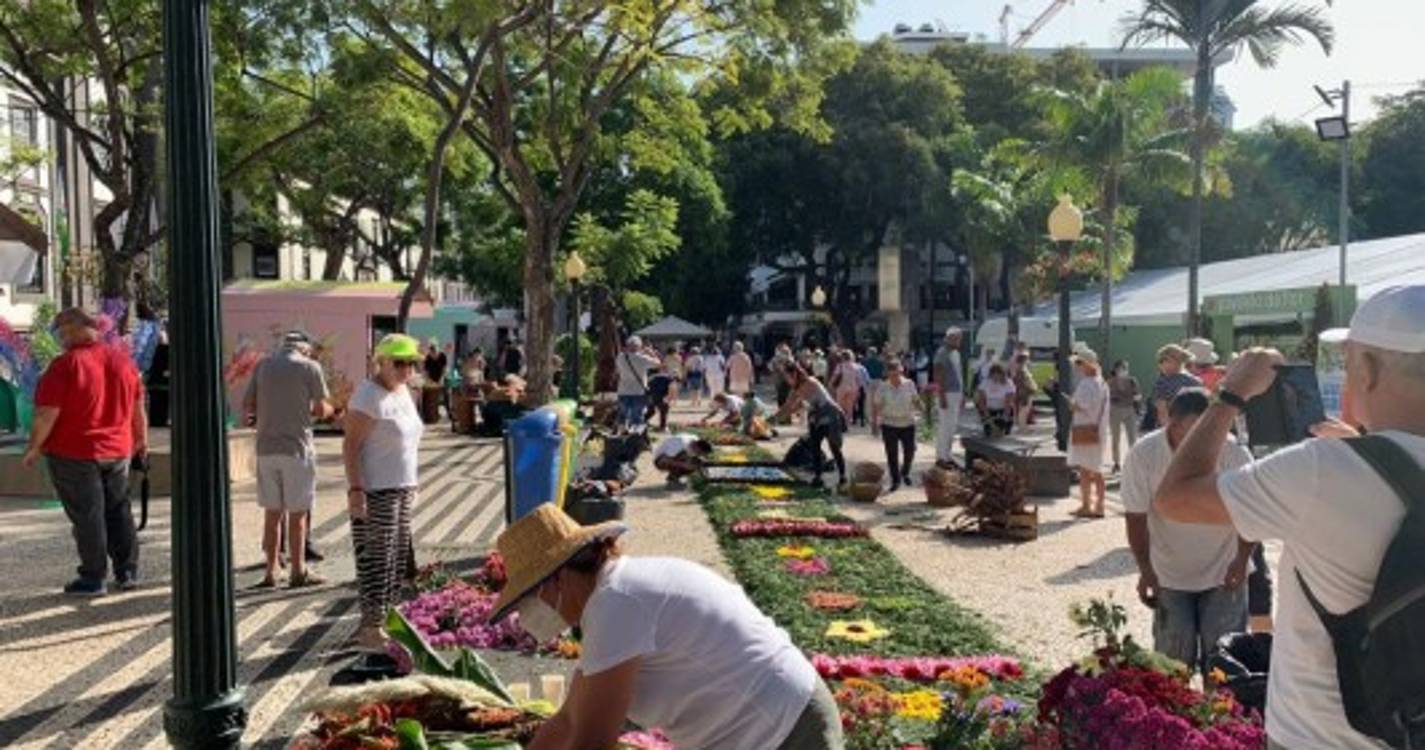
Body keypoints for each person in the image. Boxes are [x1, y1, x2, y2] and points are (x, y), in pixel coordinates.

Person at [1155, 286, 1425, 750]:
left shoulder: (1321, 471)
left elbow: (1176, 497)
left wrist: (1231, 393)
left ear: (1369, 368)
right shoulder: (1338, 464)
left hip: (1320, 736)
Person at [493, 505, 843, 750]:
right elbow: (569, 720)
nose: (530, 612)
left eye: (530, 598)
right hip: (766, 724)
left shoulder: (617, 601)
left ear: (559, 578)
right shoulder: (616, 593)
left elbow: (591, 741)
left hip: (782, 730)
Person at [1122, 388, 1253, 677]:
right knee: (1172, 664)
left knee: (1223, 665)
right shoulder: (1144, 455)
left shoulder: (1233, 452)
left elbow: (1251, 512)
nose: (1202, 442)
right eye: (1192, 432)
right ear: (1172, 424)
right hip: (1170, 573)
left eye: (1208, 430)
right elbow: (1135, 517)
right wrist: (1145, 569)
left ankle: (1222, 721)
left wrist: (1243, 559)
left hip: (1224, 569)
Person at [24, 307, 146, 595]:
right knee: (119, 509)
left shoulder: (64, 365)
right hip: (117, 449)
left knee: (87, 515)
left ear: (76, 327)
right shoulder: (123, 362)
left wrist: (34, 447)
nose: (61, 336)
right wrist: (140, 440)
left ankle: (93, 577)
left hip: (74, 451)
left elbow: (46, 413)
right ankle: (127, 570)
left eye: (63, 330)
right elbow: (138, 407)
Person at [342, 333, 426, 651]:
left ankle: (387, 619)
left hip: (401, 487)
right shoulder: (367, 395)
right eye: (399, 363)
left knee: (395, 561)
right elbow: (351, 445)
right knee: (376, 562)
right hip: (375, 488)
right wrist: (355, 489)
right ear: (381, 362)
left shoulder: (403, 392)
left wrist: (413, 482)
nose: (405, 369)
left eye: (411, 363)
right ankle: (371, 627)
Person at [243, 332, 333, 588]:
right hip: (297, 448)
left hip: (266, 448)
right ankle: (298, 570)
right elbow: (319, 408)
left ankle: (271, 570)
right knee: (298, 514)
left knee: (272, 514)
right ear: (305, 349)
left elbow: (249, 404)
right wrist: (329, 410)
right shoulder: (310, 367)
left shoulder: (263, 366)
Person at [774, 363, 848, 490]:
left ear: (795, 374)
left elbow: (796, 404)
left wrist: (782, 414)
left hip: (828, 413)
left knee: (834, 446)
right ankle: (818, 477)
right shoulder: (795, 389)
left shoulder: (810, 382)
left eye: (788, 377)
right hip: (815, 416)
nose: (787, 380)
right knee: (815, 446)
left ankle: (842, 477)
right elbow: (789, 407)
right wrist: (773, 418)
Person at [1068, 350, 1110, 519]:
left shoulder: (1086, 383)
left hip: (1084, 428)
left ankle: (1086, 505)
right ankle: (1099, 505)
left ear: (1086, 364)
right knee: (1097, 470)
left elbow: (1079, 405)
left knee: (1085, 470)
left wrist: (1071, 403)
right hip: (1097, 429)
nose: (1077, 367)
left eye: (1079, 363)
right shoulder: (1102, 383)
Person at [872, 359, 919, 492]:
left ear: (901, 371)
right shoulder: (883, 386)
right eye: (891, 375)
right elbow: (876, 405)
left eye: (897, 374)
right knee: (892, 454)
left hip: (908, 422)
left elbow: (916, 400)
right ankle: (896, 479)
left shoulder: (910, 384)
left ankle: (905, 472)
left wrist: (922, 407)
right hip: (889, 424)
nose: (894, 378)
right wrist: (875, 423)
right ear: (887, 374)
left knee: (910, 450)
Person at [1146, 344, 1201, 431]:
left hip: (1172, 431)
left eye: (1161, 361)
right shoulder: (1196, 381)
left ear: (1173, 361)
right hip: (1193, 430)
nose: (1159, 365)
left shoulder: (1162, 383)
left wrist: (1170, 433)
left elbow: (1162, 412)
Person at [932, 328, 965, 466]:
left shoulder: (955, 353)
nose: (959, 341)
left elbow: (958, 375)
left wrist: (962, 395)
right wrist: (942, 395)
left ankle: (947, 454)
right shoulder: (942, 353)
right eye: (957, 338)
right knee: (945, 426)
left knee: (952, 426)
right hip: (947, 393)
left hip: (956, 392)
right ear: (949, 338)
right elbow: (939, 375)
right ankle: (942, 456)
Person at [616, 336, 660, 430]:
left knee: (622, 416)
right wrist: (651, 353)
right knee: (637, 417)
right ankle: (635, 438)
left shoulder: (620, 357)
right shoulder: (643, 358)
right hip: (638, 391)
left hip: (623, 391)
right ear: (639, 347)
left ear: (627, 346)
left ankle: (620, 437)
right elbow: (658, 364)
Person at [1107, 359, 1142, 473]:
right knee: (1115, 438)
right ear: (1116, 369)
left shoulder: (1132, 381)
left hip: (1129, 410)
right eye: (1121, 368)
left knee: (1132, 437)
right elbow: (1108, 397)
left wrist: (1134, 401)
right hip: (1115, 411)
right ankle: (1116, 463)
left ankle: (1134, 462)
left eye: (1125, 368)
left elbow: (1138, 396)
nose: (1124, 371)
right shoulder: (1110, 382)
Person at [974, 363, 1017, 438]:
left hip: (1003, 408)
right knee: (989, 432)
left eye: (998, 375)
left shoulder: (1008, 383)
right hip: (988, 408)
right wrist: (988, 418)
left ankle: (1005, 429)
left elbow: (1009, 402)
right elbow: (981, 401)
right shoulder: (985, 383)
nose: (996, 377)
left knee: (1002, 430)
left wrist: (1005, 416)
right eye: (994, 375)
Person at [830, 350, 860, 426]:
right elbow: (858, 379)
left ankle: (840, 422)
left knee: (840, 405)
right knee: (849, 407)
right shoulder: (856, 366)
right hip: (853, 388)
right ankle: (848, 423)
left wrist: (830, 384)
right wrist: (859, 389)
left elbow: (835, 376)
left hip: (842, 387)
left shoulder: (840, 366)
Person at [1010, 353, 1037, 428]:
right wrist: (1030, 387)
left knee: (1023, 409)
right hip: (1024, 391)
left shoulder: (1022, 368)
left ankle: (1022, 425)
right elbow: (1022, 381)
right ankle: (1022, 426)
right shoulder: (1021, 370)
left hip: (1025, 391)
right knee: (1024, 409)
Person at [644, 367, 674, 432]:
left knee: (651, 410)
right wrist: (669, 398)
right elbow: (671, 388)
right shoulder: (669, 378)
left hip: (651, 395)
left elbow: (646, 387)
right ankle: (663, 427)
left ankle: (642, 422)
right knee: (664, 411)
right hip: (662, 396)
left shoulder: (651, 377)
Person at [772, 343, 795, 408]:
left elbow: (790, 375)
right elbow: (772, 369)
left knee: (785, 405)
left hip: (786, 385)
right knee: (781, 404)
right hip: (780, 385)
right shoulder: (777, 361)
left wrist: (782, 368)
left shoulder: (790, 362)